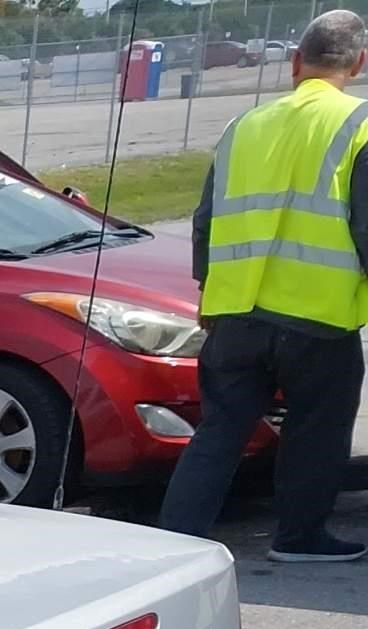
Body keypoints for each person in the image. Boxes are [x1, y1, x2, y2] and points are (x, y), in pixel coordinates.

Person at [159, 10, 368, 563]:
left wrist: (209, 291)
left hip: (235, 315)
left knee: (220, 432)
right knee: (315, 433)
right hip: (317, 318)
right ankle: (298, 538)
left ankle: (175, 539)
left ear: (295, 62)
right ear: (359, 63)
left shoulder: (242, 127)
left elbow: (206, 219)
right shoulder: (359, 125)